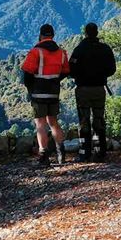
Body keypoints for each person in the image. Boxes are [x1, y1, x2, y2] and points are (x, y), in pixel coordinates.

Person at [20, 23, 70, 165]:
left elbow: (27, 73)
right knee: (53, 122)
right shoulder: (62, 53)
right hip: (54, 92)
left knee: (40, 123)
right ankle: (61, 154)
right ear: (53, 36)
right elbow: (66, 71)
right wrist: (55, 80)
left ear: (41, 35)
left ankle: (44, 155)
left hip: (39, 93)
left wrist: (31, 89)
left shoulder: (36, 52)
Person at [69, 22, 116, 162]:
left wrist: (80, 76)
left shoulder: (79, 49)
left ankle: (85, 153)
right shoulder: (105, 49)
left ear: (85, 33)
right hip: (99, 89)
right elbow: (112, 69)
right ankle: (99, 151)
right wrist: (101, 75)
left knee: (84, 121)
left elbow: (71, 68)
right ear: (97, 32)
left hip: (83, 89)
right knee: (99, 119)